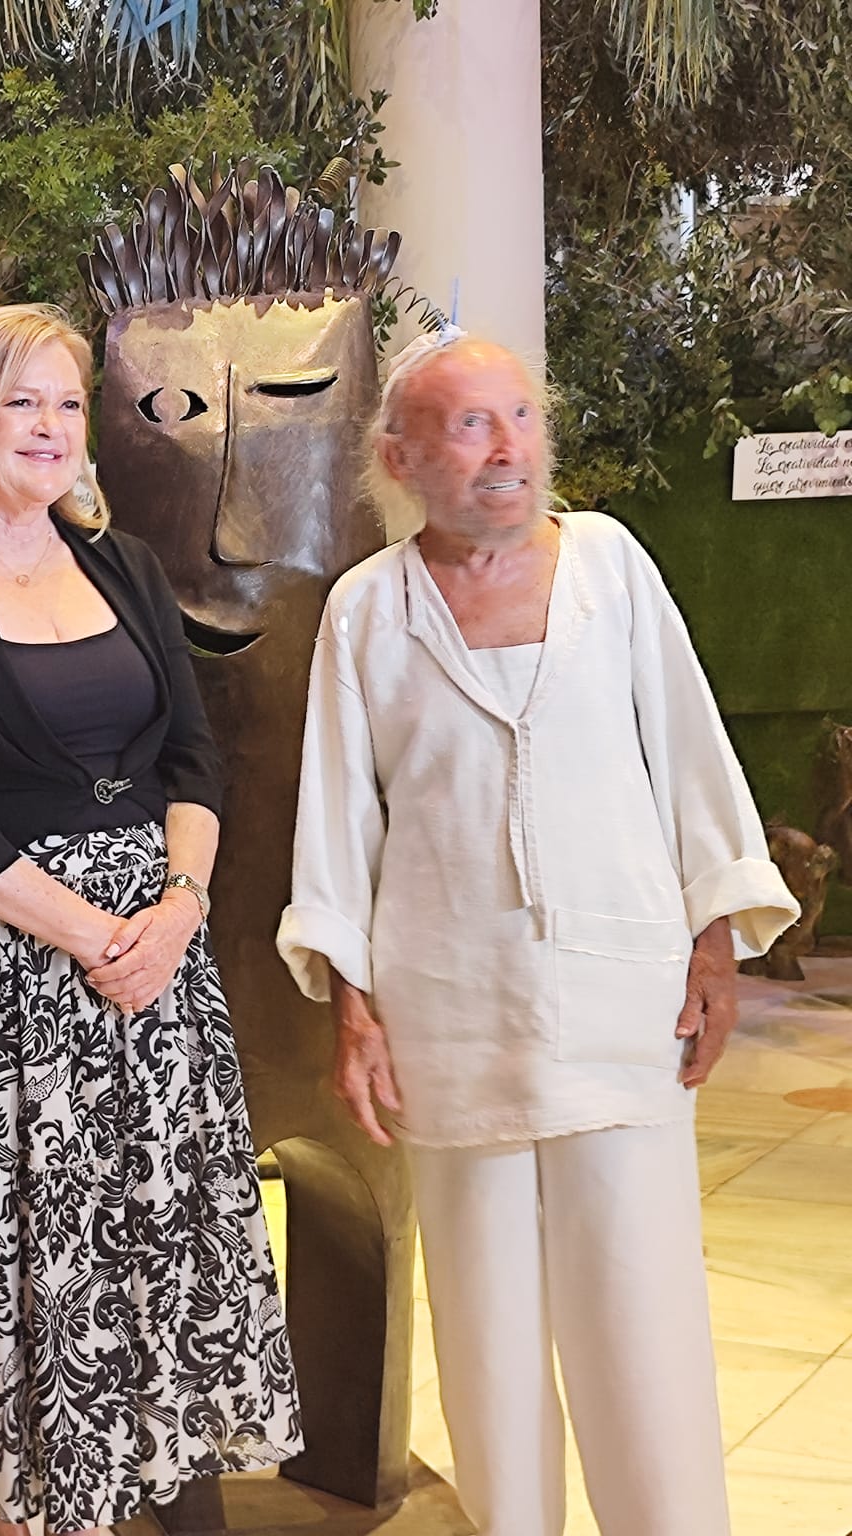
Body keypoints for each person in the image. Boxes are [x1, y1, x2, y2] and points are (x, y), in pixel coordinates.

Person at [278, 330, 798, 1536]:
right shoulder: (367, 609)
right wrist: (352, 1005)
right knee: (487, 1337)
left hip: (623, 1006)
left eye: (518, 416)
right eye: (469, 424)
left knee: (641, 1325)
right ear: (400, 457)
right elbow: (337, 816)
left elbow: (688, 756)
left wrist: (713, 939)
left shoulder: (610, 566)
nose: (506, 447)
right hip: (447, 1016)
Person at [0, 303, 301, 1536]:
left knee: (147, 1285)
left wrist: (178, 909)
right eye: (18, 402)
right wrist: (95, 934)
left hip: (151, 983)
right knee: (22, 1305)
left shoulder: (122, 566)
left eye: (64, 403)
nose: (48, 427)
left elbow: (190, 761)